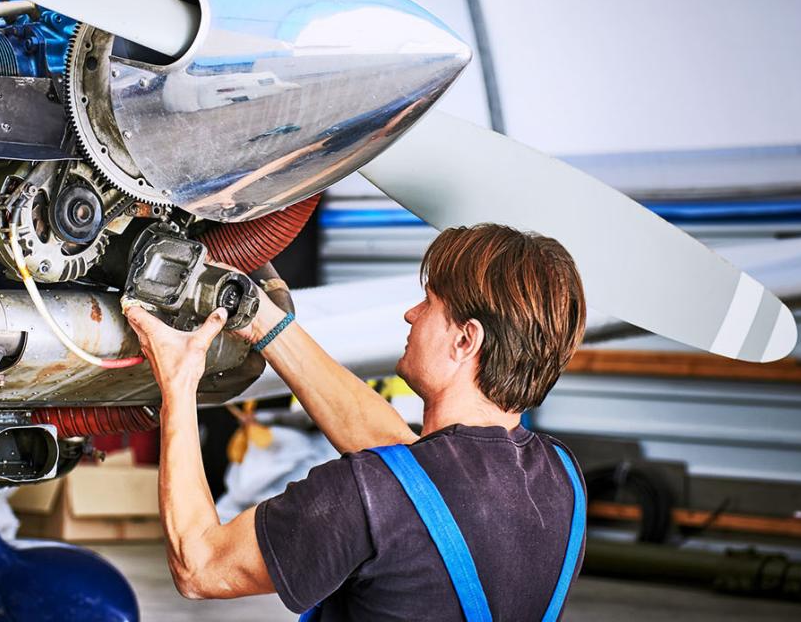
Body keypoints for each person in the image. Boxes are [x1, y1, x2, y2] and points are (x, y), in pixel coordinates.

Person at [124, 223, 588, 621]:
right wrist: (264, 322)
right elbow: (411, 473)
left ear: (466, 340)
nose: (411, 314)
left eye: (429, 303)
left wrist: (179, 381)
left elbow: (200, 565)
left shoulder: (366, 497)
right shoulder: (563, 480)